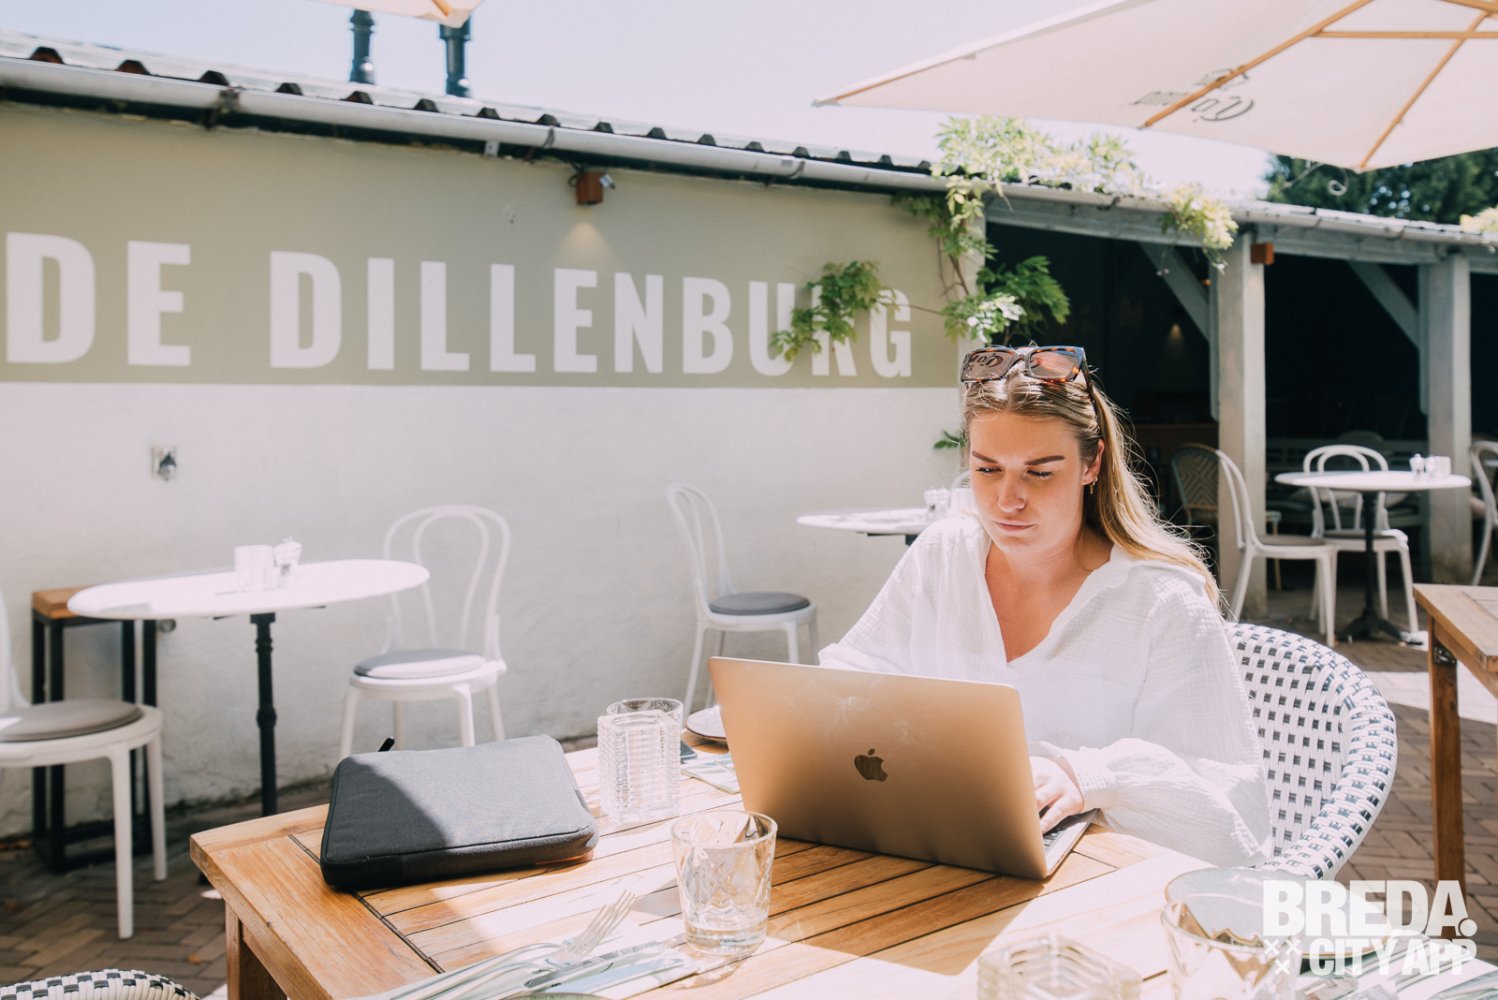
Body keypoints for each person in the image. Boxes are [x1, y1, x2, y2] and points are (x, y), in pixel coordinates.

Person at [818, 345, 1271, 868]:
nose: (1007, 500)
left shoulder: (1161, 601)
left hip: (1099, 881)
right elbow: (853, 675)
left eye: (1039, 473)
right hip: (938, 853)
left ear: (1091, 463)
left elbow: (1230, 816)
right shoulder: (943, 555)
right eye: (988, 469)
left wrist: (1090, 777)